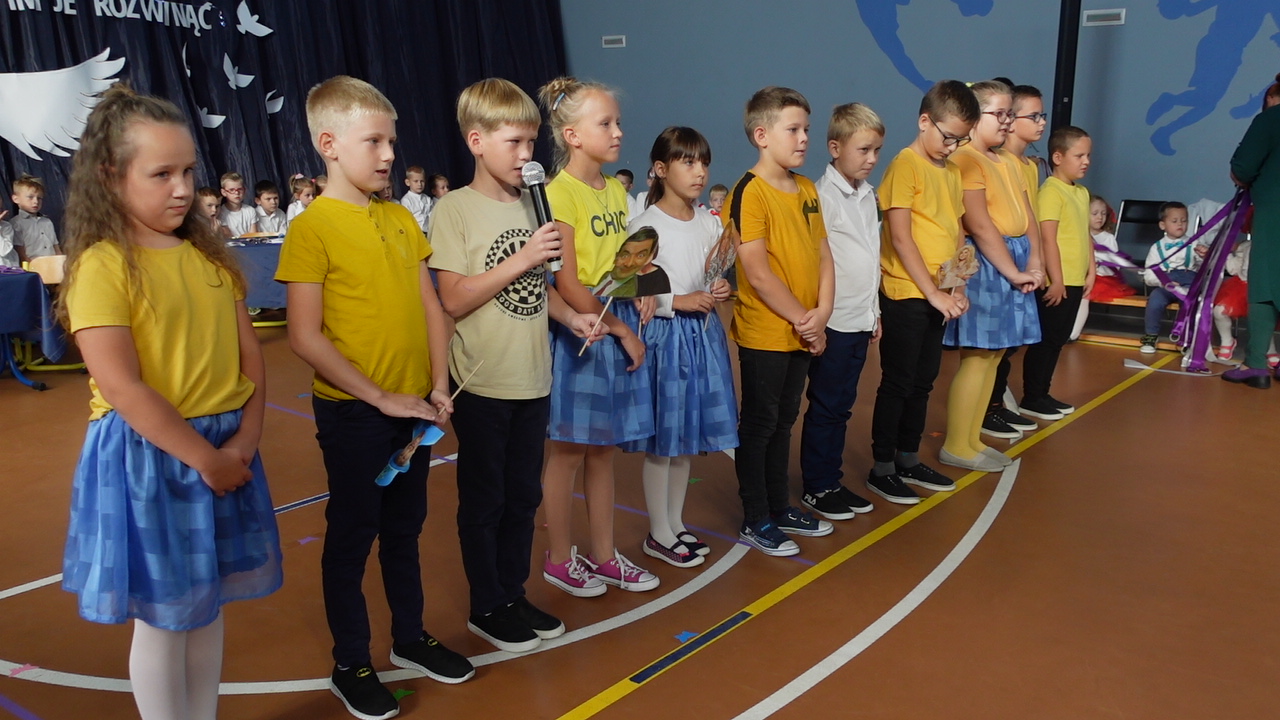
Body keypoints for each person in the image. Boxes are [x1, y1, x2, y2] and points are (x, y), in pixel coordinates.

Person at [56, 84, 282, 720]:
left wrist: (243, 441)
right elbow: (122, 387)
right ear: (111, 176)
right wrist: (205, 459)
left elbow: (251, 360)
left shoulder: (210, 260)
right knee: (164, 617)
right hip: (152, 455)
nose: (182, 189)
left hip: (223, 448)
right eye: (161, 174)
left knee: (206, 606)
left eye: (187, 171)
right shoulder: (103, 265)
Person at [275, 76, 472, 720]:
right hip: (357, 414)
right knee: (354, 534)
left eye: (392, 141)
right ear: (329, 144)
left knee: (405, 530)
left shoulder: (400, 218)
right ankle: (351, 662)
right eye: (374, 141)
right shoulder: (312, 228)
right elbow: (304, 336)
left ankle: (410, 638)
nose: (389, 154)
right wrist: (380, 396)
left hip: (414, 406)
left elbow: (431, 307)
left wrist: (437, 384)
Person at [429, 78, 604, 653]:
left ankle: (512, 593)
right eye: (513, 142)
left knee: (524, 496)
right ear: (476, 141)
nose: (526, 155)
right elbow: (454, 297)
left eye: (531, 142)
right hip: (482, 382)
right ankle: (487, 605)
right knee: (487, 500)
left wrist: (570, 316)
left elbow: (538, 288)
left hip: (533, 379)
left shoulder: (534, 203)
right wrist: (526, 255)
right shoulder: (454, 210)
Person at [537, 76, 660, 595]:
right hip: (584, 333)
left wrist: (642, 288)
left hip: (613, 315)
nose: (618, 132)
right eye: (605, 123)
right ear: (572, 135)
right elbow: (567, 282)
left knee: (603, 450)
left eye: (618, 122)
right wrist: (621, 331)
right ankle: (559, 558)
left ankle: (605, 556)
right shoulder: (557, 194)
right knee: (568, 451)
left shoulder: (614, 190)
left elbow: (622, 264)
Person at [725, 86, 835, 556]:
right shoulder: (748, 193)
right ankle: (755, 517)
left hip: (804, 329)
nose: (804, 138)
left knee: (785, 420)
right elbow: (757, 273)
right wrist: (805, 321)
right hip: (767, 332)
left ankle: (779, 506)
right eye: (793, 129)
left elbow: (824, 256)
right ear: (762, 135)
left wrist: (822, 314)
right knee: (760, 423)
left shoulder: (807, 188)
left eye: (806, 129)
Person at [624, 126, 737, 566]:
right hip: (666, 340)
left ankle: (675, 524)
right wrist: (678, 301)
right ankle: (658, 532)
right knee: (664, 441)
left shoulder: (710, 223)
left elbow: (711, 272)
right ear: (660, 168)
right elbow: (629, 286)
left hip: (702, 337)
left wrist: (719, 287)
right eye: (688, 162)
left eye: (703, 162)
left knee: (686, 437)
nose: (699, 171)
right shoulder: (644, 225)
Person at [868, 79, 978, 506]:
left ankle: (908, 457)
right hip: (906, 293)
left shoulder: (951, 171)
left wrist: (956, 285)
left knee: (924, 380)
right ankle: (882, 467)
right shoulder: (905, 165)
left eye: (961, 140)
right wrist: (932, 293)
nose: (952, 147)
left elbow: (955, 233)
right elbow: (900, 237)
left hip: (939, 294)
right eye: (948, 137)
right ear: (924, 121)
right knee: (898, 381)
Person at [940, 80, 1043, 471]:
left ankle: (971, 439)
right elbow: (980, 225)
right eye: (997, 113)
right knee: (978, 355)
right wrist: (1013, 271)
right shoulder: (967, 159)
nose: (1005, 121)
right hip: (987, 263)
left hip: (1012, 259)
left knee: (996, 354)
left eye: (1008, 114)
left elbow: (1028, 216)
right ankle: (957, 444)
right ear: (974, 116)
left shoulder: (1007, 161)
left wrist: (1035, 261)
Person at [799, 102, 884, 521]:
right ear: (835, 148)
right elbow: (818, 261)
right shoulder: (822, 197)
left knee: (842, 406)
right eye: (863, 150)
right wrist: (820, 316)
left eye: (876, 151)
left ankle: (830, 480)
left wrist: (875, 310)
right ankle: (817, 486)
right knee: (826, 405)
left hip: (860, 318)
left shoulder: (867, 195)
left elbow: (870, 255)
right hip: (833, 320)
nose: (871, 159)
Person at [982, 83, 1047, 440]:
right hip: (998, 259)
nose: (1041, 123)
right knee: (993, 347)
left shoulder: (1028, 165)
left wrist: (1037, 260)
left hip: (1022, 254)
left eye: (1042, 116)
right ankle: (988, 408)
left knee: (1010, 343)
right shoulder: (992, 160)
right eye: (1033, 116)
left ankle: (995, 404)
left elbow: (1030, 216)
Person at [1020, 126, 1095, 419]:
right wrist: (1057, 280)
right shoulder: (1051, 191)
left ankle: (1043, 393)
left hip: (1075, 279)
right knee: (1047, 341)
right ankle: (1032, 396)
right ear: (1058, 157)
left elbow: (1085, 234)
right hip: (1058, 281)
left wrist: (1091, 270)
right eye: (1079, 155)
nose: (1086, 161)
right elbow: (1047, 238)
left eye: (1088, 155)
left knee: (1058, 341)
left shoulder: (1082, 192)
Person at [1224, 73, 1280, 389]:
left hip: (1275, 214)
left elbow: (1242, 168)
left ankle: (1256, 364)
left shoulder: (1270, 119)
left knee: (1265, 284)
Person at [1140, 201, 1202, 354]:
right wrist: (1164, 282)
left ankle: (1187, 339)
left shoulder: (1194, 243)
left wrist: (1204, 256)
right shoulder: (1156, 248)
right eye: (1174, 221)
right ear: (1163, 225)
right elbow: (1149, 274)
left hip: (1188, 282)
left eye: (1184, 220)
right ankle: (1151, 335)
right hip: (1166, 284)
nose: (1180, 224)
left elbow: (1203, 267)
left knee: (1189, 302)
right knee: (1155, 300)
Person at [1071, 194, 1134, 340]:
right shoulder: (1079, 235)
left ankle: (1073, 333)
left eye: (1103, 214)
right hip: (1080, 274)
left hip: (1102, 278)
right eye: (1095, 213)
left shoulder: (1108, 238)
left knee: (1085, 294)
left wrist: (1097, 266)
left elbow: (1114, 265)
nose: (1100, 217)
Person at [1214, 237, 1279, 365]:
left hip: (1265, 288)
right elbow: (1233, 269)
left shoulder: (1274, 245)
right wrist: (1227, 253)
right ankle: (1227, 341)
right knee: (1219, 311)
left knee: (1264, 317)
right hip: (1242, 287)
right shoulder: (1245, 246)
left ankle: (1270, 348)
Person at [591, 226, 672, 298]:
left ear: (649, 257)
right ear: (617, 256)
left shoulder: (633, 289)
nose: (628, 264)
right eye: (625, 256)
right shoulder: (606, 275)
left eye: (640, 256)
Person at [10, 174, 60, 261]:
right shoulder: (16, 223)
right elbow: (21, 253)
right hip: (33, 265)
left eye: (39, 198)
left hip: (53, 264)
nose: (36, 201)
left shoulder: (47, 222)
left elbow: (56, 247)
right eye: (30, 197)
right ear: (16, 199)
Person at [217, 172, 258, 238]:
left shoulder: (250, 210)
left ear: (244, 190)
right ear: (223, 192)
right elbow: (228, 237)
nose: (236, 193)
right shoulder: (221, 212)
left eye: (240, 189)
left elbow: (253, 235)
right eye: (231, 190)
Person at [400, 166, 431, 232]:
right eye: (416, 181)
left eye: (422, 181)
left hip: (429, 231)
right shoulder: (406, 200)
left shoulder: (427, 198)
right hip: (415, 232)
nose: (419, 184)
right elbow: (406, 220)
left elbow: (432, 215)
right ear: (407, 182)